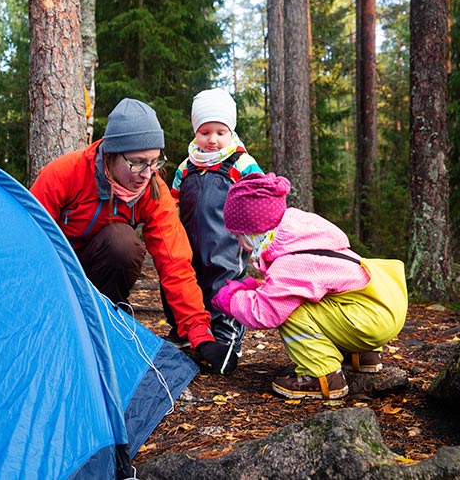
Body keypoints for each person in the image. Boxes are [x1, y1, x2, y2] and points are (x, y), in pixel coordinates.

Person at [30, 98, 237, 374]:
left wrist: (199, 334)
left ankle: (103, 327)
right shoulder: (65, 174)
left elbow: (174, 261)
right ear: (113, 154)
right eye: (138, 163)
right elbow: (31, 241)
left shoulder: (152, 190)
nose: (146, 173)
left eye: (154, 162)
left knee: (122, 242)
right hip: (56, 276)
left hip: (99, 279)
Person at [211, 172, 408, 399]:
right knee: (317, 300)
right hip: (381, 302)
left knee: (290, 311)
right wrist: (257, 286)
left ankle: (321, 376)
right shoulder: (299, 234)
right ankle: (363, 355)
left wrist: (233, 301)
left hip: (370, 319)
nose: (238, 242)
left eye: (239, 235)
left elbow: (266, 313)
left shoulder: (291, 262)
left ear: (254, 233)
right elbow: (312, 281)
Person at [162, 88, 263, 362]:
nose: (212, 140)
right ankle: (184, 329)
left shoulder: (241, 163)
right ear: (195, 132)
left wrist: (256, 235)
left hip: (227, 243)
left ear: (231, 131)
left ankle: (227, 337)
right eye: (205, 133)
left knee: (224, 285)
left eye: (220, 132)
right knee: (188, 281)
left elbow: (260, 196)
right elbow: (172, 202)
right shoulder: (187, 166)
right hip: (190, 240)